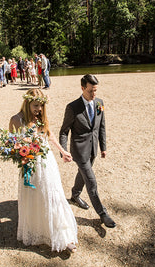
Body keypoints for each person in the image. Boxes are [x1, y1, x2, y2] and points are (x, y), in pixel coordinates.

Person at [9, 88, 78, 253]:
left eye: (41, 106)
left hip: (47, 163)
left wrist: (62, 150)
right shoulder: (16, 119)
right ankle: (38, 230)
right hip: (29, 164)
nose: (38, 109)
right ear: (27, 103)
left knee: (53, 195)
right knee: (35, 197)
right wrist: (20, 151)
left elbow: (49, 134)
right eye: (35, 105)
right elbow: (10, 142)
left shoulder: (40, 118)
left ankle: (63, 235)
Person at [59, 74, 116, 228]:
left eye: (95, 90)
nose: (94, 94)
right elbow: (64, 131)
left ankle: (75, 195)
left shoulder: (99, 103)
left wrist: (103, 147)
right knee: (91, 182)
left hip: (93, 150)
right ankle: (103, 214)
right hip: (79, 151)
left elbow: (101, 127)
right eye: (91, 91)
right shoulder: (72, 107)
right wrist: (64, 151)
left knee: (83, 175)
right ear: (83, 88)